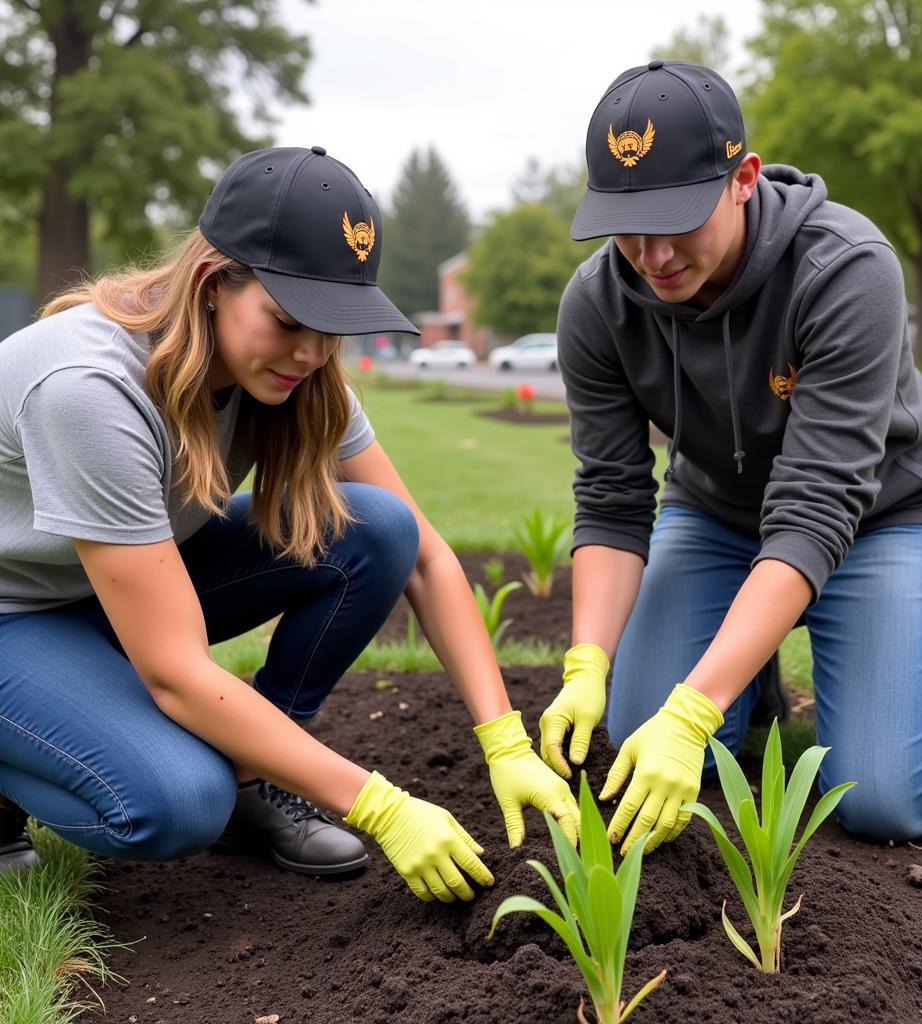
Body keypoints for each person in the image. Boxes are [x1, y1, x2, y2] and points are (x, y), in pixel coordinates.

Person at [0, 145, 579, 899]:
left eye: (331, 326)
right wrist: (384, 807)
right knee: (178, 803)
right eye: (287, 319)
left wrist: (506, 743)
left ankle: (253, 776)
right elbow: (173, 672)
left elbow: (425, 558)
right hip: (17, 613)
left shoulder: (296, 371)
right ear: (213, 283)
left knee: (377, 530)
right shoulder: (90, 388)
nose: (310, 352)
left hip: (105, 589)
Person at [538, 61, 922, 856]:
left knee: (882, 797)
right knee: (635, 727)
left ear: (744, 179)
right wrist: (587, 662)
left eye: (676, 219)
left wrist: (694, 711)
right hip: (718, 512)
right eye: (626, 223)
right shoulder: (597, 304)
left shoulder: (846, 269)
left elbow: (818, 505)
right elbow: (613, 497)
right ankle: (746, 681)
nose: (651, 255)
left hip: (882, 517)